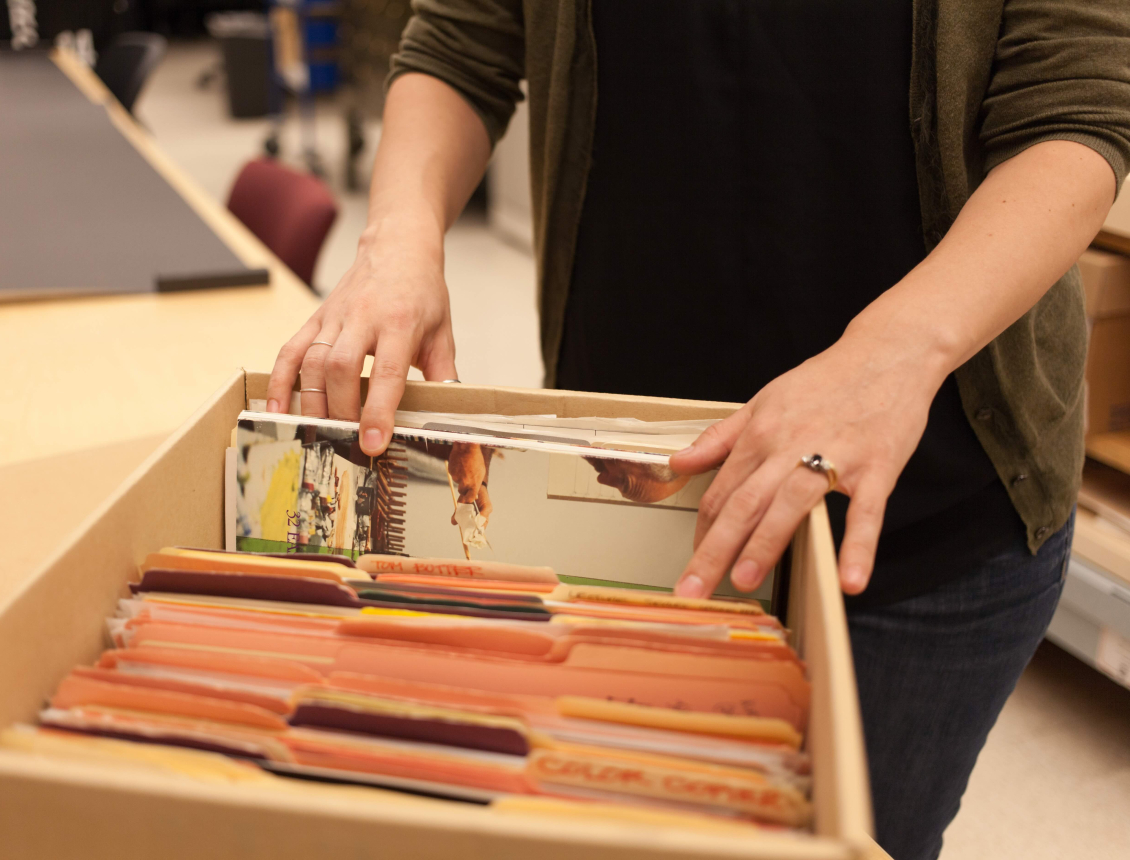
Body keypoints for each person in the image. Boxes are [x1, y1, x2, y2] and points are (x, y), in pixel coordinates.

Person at [266, 2, 1130, 856]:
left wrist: (896, 350)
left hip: (925, 520)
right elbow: (462, 40)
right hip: (621, 506)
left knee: (860, 838)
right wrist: (400, 237)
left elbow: (1077, 105)